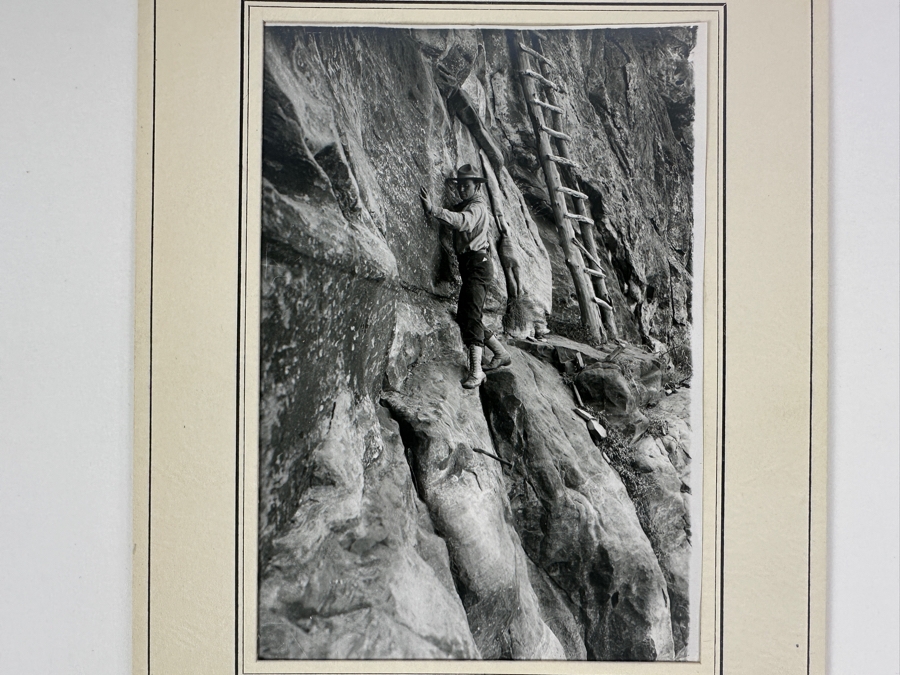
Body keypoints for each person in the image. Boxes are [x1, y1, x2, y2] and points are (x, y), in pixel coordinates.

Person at [420, 164, 512, 388]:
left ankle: (477, 372)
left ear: (477, 186)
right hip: (472, 264)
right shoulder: (469, 204)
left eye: (467, 186)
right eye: (459, 186)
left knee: (470, 317)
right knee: (466, 316)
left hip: (477, 264)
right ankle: (500, 353)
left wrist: (434, 210)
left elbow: (463, 221)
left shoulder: (477, 207)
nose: (462, 190)